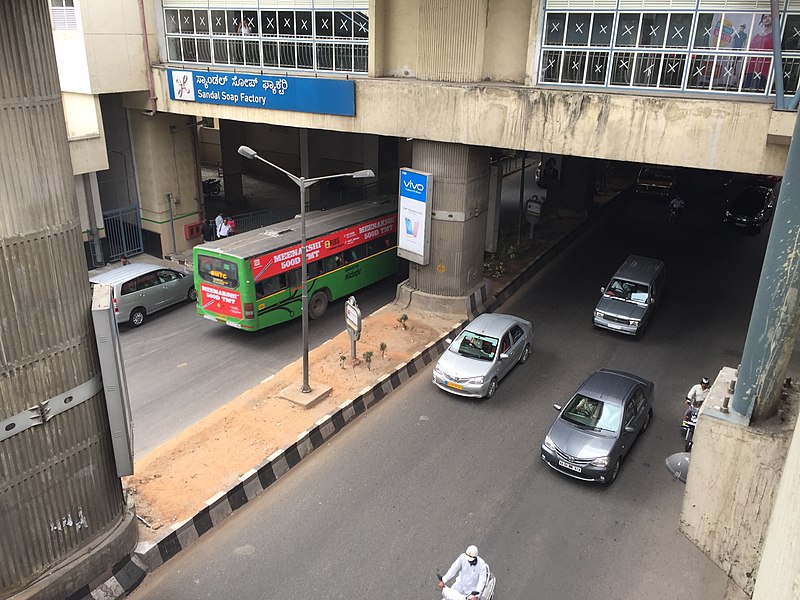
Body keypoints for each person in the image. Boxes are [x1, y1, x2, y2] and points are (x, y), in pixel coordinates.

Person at [743, 14, 773, 91]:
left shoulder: (776, 35)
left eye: (770, 16)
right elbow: (750, 51)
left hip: (765, 68)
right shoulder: (757, 36)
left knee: (759, 88)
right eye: (765, 17)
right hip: (751, 66)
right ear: (762, 21)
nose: (767, 19)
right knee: (746, 88)